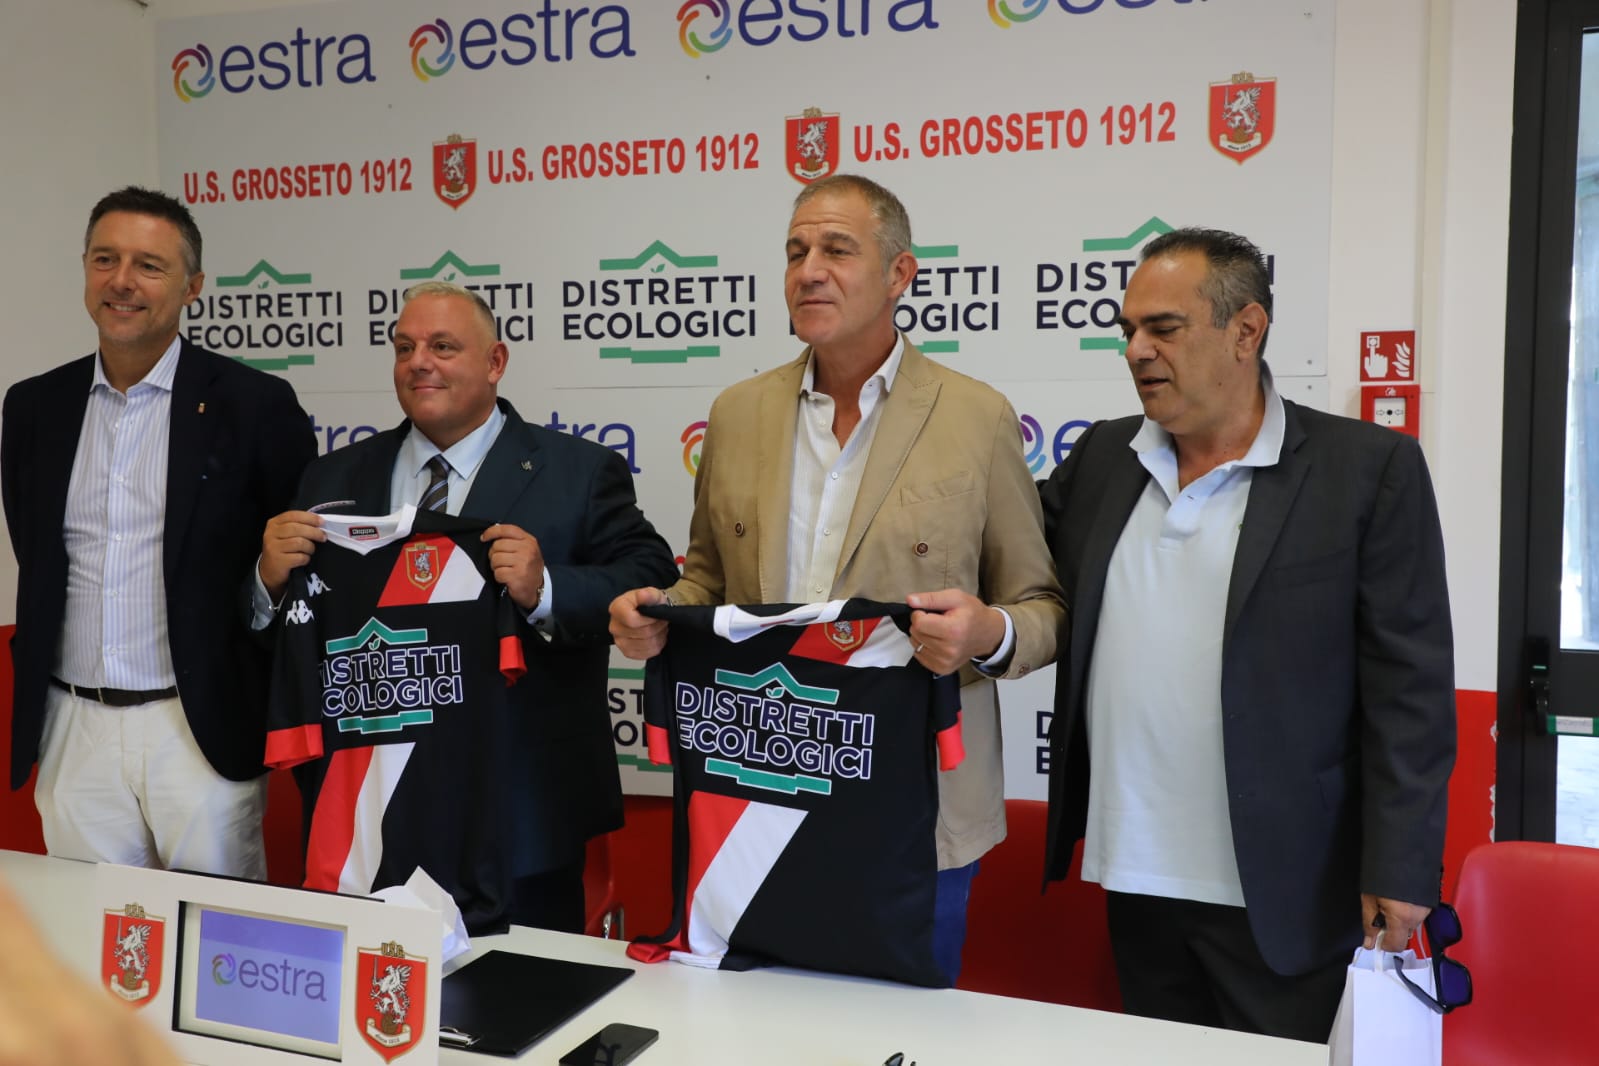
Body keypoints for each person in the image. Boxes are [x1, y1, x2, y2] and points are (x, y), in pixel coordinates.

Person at [609, 174, 1063, 977]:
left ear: (899, 274)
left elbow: (1040, 605)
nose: (809, 270)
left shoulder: (976, 416)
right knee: (744, 1022)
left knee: (897, 1031)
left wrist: (984, 633)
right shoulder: (737, 413)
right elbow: (706, 582)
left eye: (836, 250)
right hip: (755, 792)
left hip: (913, 810)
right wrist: (657, 613)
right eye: (795, 252)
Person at [1039, 228, 1455, 1041]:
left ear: (1245, 330)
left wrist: (1401, 868)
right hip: (1134, 872)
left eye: (1163, 328)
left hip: (1290, 886)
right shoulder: (1102, 457)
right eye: (1128, 330)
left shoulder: (1365, 470)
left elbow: (1409, 691)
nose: (1136, 350)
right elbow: (1015, 567)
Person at [256, 281, 676, 932]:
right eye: (404, 348)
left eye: (443, 346)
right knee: (381, 987)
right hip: (370, 805)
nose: (418, 362)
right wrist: (268, 582)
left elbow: (650, 577)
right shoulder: (331, 478)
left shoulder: (578, 471)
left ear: (495, 361)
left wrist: (545, 587)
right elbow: (293, 630)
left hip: (521, 812)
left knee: (520, 992)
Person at [2, 186, 315, 877]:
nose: (122, 281)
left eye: (148, 265)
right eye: (105, 259)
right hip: (72, 725)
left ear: (192, 287)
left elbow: (293, 569)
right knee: (92, 934)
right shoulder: (32, 407)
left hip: (197, 726)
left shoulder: (254, 407)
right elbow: (38, 550)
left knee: (216, 930)